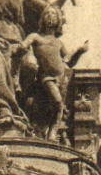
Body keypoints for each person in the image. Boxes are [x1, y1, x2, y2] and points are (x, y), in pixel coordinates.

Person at [14, 8, 88, 138]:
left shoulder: (58, 42)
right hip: (46, 76)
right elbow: (24, 44)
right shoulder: (35, 37)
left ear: (58, 20)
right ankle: (53, 130)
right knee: (58, 102)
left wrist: (80, 51)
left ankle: (52, 131)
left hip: (61, 78)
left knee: (58, 105)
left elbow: (69, 61)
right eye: (47, 14)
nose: (50, 16)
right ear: (42, 19)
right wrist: (22, 47)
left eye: (53, 14)